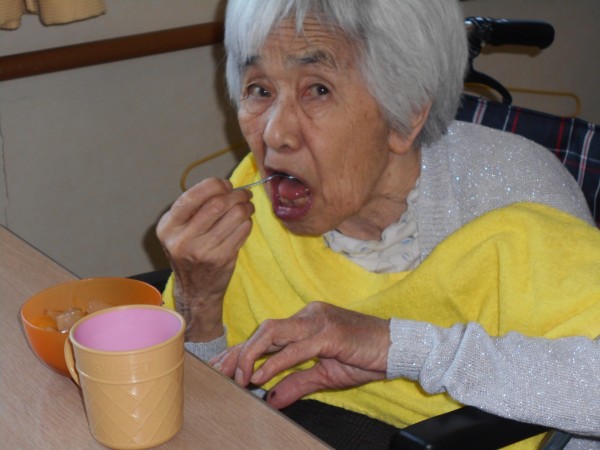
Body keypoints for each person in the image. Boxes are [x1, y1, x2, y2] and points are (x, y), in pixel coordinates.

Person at [157, 0, 600, 448]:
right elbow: (207, 413)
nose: (274, 134)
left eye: (318, 90)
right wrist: (198, 304)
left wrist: (398, 346)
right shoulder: (251, 202)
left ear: (405, 114)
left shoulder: (516, 195)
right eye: (260, 89)